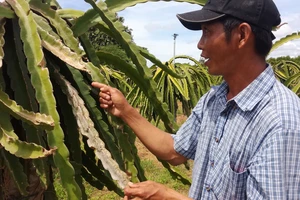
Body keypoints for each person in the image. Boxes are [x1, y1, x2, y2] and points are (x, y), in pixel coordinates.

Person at [92, 0, 300, 199]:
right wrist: (125, 111)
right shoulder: (214, 99)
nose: (200, 44)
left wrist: (168, 197)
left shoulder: (281, 122)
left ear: (242, 35)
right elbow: (174, 151)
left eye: (207, 32)